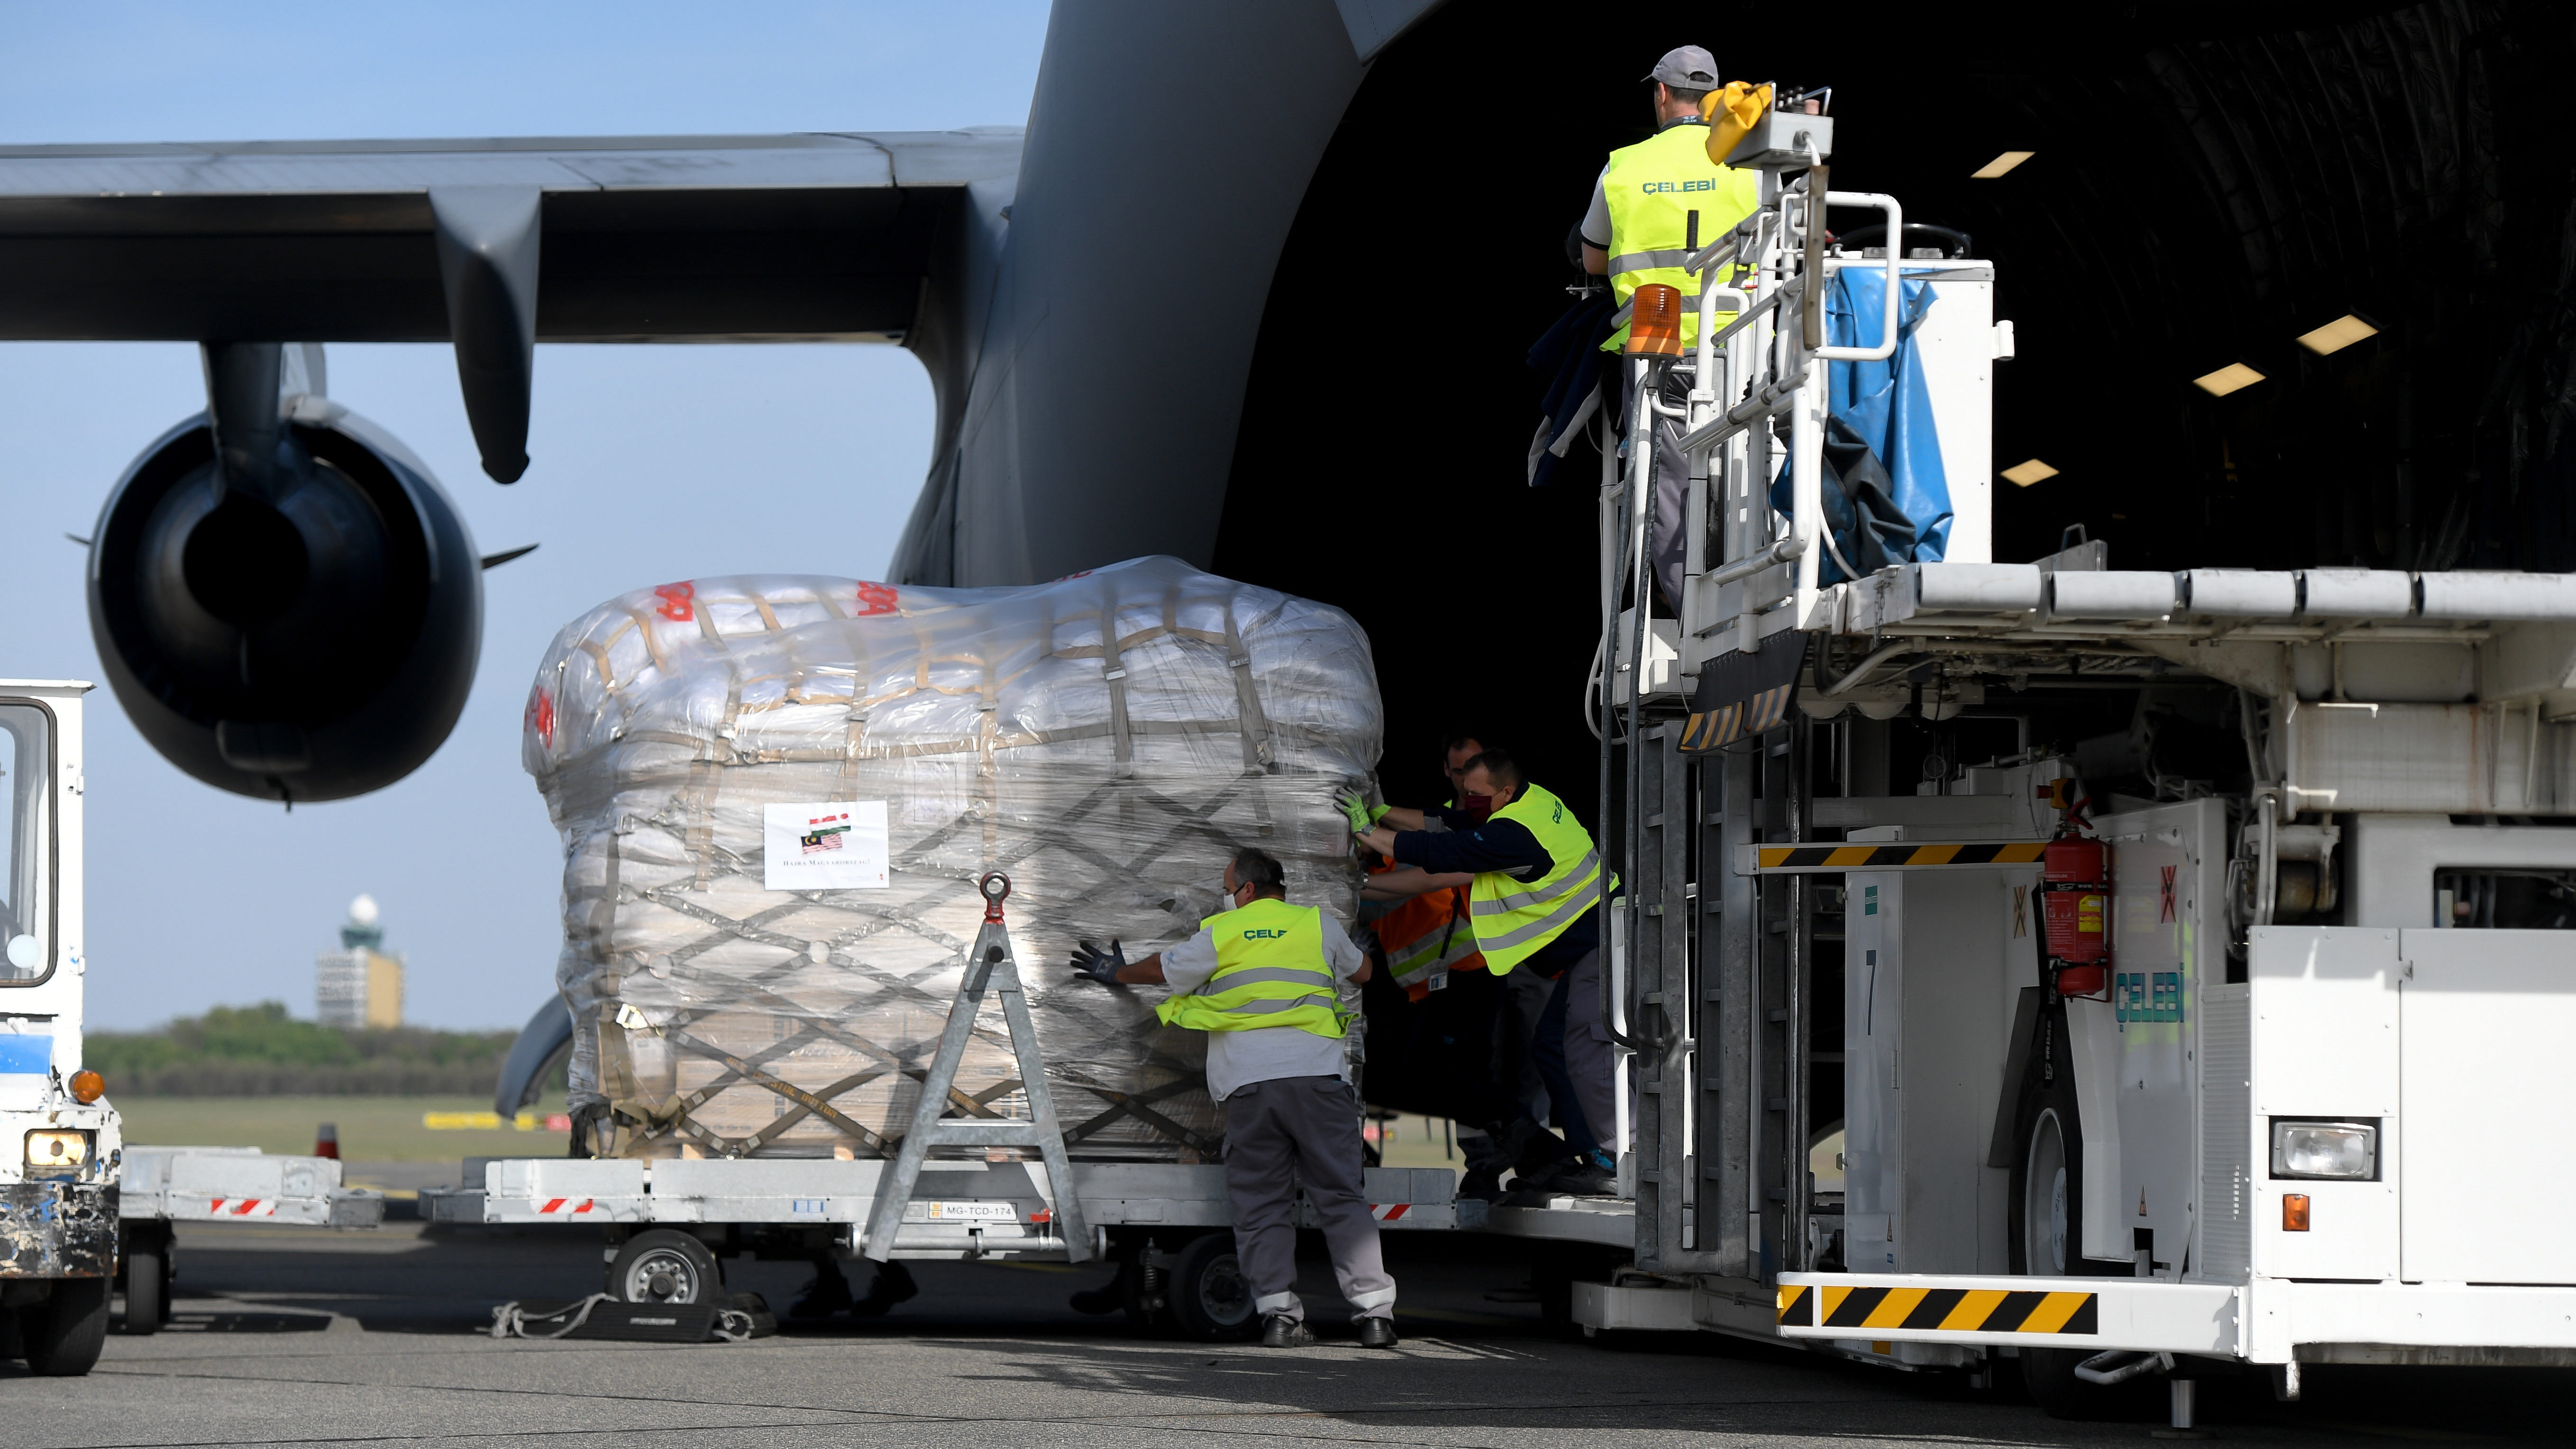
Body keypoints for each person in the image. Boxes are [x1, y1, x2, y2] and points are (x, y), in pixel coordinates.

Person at [1069, 847, 1398, 1349]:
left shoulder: (1222, 932)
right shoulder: (1320, 925)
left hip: (1252, 1087)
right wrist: (1356, 950)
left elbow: (1164, 969)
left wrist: (1116, 973)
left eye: (1227, 886)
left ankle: (1279, 1317)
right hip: (1317, 1082)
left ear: (1245, 890)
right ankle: (1374, 1314)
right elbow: (1365, 975)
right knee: (1340, 1197)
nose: (1225, 894)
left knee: (1261, 1203)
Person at [1354, 750, 1619, 1196]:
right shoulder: (1529, 805)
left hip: (1591, 950)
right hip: (1590, 947)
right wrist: (1380, 815)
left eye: (1475, 793)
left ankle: (1598, 1157)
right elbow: (1447, 822)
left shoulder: (1513, 836)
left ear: (1504, 792)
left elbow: (1440, 852)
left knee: (1572, 1052)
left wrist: (1367, 831)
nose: (1466, 799)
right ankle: (1565, 1154)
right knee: (1547, 1051)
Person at [1578, 45, 1762, 610]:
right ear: (1710, 99)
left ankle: (1686, 610)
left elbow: (1591, 259)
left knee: (1668, 487)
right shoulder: (1748, 164)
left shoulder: (1624, 165)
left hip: (1658, 351)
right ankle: (1752, 588)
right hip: (1740, 346)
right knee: (1747, 469)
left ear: (1661, 94)